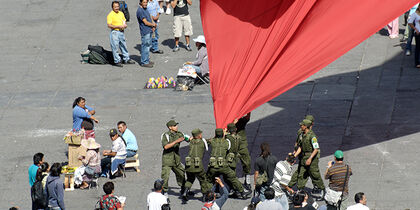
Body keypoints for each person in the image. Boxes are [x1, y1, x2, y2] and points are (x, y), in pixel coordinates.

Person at [207, 128, 251, 199]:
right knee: (233, 178)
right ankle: (242, 191)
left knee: (208, 179)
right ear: (223, 134)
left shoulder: (212, 141)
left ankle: (210, 193)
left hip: (213, 166)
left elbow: (206, 141)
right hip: (224, 166)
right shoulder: (227, 142)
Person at [289, 119, 325, 196]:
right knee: (301, 174)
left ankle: (322, 189)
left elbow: (316, 149)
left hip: (311, 158)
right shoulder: (302, 135)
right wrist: (294, 156)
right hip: (304, 158)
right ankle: (300, 190)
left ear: (306, 126)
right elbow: (300, 147)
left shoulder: (312, 136)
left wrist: (310, 158)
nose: (300, 126)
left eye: (302, 125)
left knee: (315, 174)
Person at [182, 128, 212, 202]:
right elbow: (210, 141)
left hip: (188, 165)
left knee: (190, 179)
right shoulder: (202, 142)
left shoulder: (191, 141)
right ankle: (204, 196)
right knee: (203, 180)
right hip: (197, 166)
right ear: (198, 135)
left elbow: (185, 137)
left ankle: (185, 192)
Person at [160, 120, 186, 195]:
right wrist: (176, 141)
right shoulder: (165, 135)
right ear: (170, 127)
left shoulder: (179, 134)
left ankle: (183, 188)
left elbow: (187, 138)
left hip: (176, 159)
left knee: (181, 173)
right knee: (165, 176)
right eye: (174, 126)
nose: (176, 127)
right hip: (167, 159)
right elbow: (166, 146)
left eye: (176, 125)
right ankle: (164, 191)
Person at [289, 115, 314, 192]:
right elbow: (300, 145)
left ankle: (290, 185)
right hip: (305, 155)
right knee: (305, 172)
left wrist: (295, 152)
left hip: (301, 154)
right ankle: (300, 188)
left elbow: (296, 143)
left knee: (299, 170)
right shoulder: (307, 134)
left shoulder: (301, 131)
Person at [107, 1, 135, 67]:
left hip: (121, 32)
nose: (117, 8)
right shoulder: (110, 15)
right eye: (115, 7)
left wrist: (124, 24)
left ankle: (126, 59)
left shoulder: (121, 13)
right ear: (112, 7)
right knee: (115, 47)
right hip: (115, 32)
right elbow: (109, 25)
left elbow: (124, 20)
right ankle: (117, 61)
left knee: (123, 46)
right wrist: (118, 26)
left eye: (117, 6)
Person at [234, 113, 252, 189]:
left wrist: (249, 109)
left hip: (242, 145)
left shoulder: (241, 121)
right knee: (231, 164)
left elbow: (247, 117)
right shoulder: (230, 123)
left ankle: (247, 178)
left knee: (247, 162)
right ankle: (232, 181)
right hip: (233, 146)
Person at [137, 0, 157, 68]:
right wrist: (152, 25)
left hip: (149, 30)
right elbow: (145, 22)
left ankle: (147, 60)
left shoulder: (145, 9)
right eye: (144, 2)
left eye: (146, 2)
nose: (145, 4)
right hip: (145, 31)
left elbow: (149, 16)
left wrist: (153, 25)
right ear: (140, 3)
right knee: (145, 46)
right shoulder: (140, 11)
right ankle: (144, 62)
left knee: (148, 46)